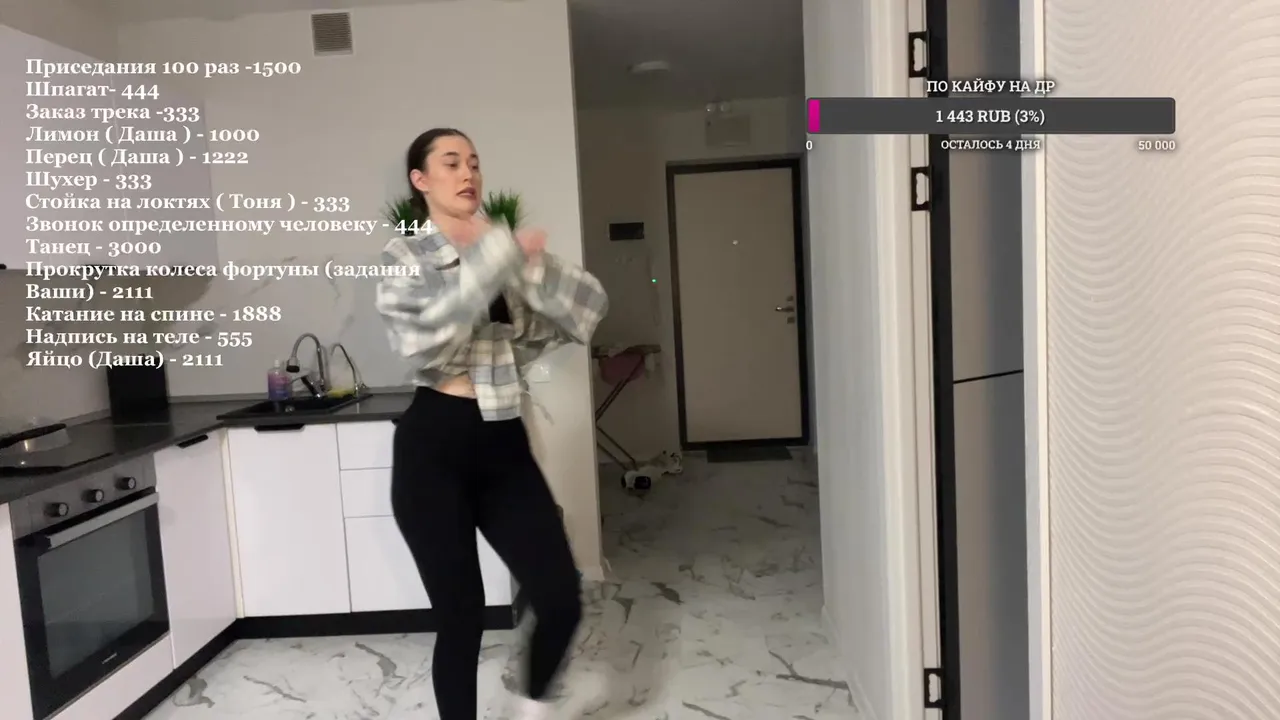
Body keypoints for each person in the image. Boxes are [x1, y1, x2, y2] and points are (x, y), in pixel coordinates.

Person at [374, 128, 608, 720]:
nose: (468, 173)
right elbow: (425, 341)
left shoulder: (503, 250)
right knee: (461, 617)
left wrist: (528, 268)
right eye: (451, 162)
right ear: (421, 180)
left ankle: (532, 706)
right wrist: (490, 261)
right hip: (434, 449)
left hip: (503, 442)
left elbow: (588, 308)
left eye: (474, 163)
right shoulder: (406, 256)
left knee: (560, 597)